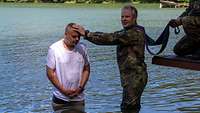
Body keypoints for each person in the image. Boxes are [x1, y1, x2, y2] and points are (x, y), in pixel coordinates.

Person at [74, 5, 148, 113]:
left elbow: (110, 38)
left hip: (135, 78)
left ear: (134, 18)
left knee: (129, 108)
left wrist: (86, 33)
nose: (123, 19)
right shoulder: (132, 30)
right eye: (122, 16)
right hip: (132, 77)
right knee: (130, 107)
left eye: (127, 17)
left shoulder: (133, 33)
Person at [46, 23, 90, 113]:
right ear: (65, 34)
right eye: (74, 36)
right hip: (60, 99)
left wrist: (80, 88)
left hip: (78, 99)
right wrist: (63, 90)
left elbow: (86, 69)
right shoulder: (54, 49)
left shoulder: (82, 48)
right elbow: (50, 73)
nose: (77, 39)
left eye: (78, 37)